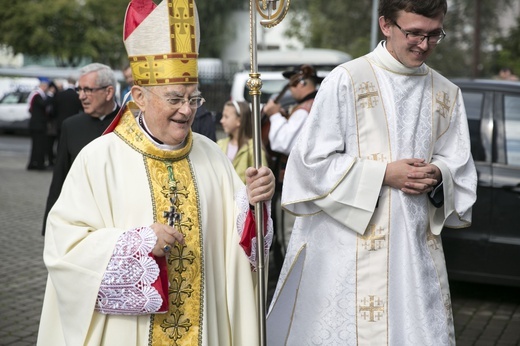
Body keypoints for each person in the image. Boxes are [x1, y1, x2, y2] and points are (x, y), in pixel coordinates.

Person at [37, 1, 275, 345]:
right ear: (139, 96)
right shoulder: (99, 159)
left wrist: (254, 204)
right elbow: (64, 249)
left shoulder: (212, 156)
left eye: (193, 100)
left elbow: (240, 252)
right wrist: (138, 244)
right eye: (175, 98)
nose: (186, 111)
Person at [267, 1, 477, 345]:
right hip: (345, 249)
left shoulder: (446, 93)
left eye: (434, 34)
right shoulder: (346, 80)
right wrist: (383, 174)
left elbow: (459, 164)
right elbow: (310, 164)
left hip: (412, 248)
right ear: (385, 25)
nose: (423, 45)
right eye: (413, 33)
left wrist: (439, 173)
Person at [41, 63, 120, 235]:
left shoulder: (129, 123)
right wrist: (50, 226)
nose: (81, 96)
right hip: (83, 220)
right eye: (79, 90)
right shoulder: (71, 126)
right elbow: (60, 177)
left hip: (119, 220)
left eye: (88, 90)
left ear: (108, 92)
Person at [262, 64, 322, 252]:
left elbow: (283, 143)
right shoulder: (315, 105)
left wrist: (274, 116)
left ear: (302, 82)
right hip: (308, 179)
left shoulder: (305, 109)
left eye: (293, 84)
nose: (291, 88)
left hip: (298, 181)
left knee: (290, 236)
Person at [218, 100, 268, 183]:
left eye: (226, 117)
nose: (221, 121)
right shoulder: (220, 144)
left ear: (239, 120)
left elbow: (262, 178)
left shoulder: (254, 147)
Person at [27, 77, 51, 170]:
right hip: (38, 125)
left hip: (36, 124)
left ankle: (33, 164)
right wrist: (50, 95)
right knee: (39, 146)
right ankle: (38, 164)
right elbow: (43, 104)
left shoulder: (35, 94)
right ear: (43, 86)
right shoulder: (37, 95)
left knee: (36, 145)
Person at [51, 76, 83, 143]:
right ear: (75, 83)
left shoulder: (59, 94)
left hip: (60, 123)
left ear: (67, 82)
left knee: (60, 143)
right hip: (74, 123)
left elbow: (54, 109)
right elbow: (82, 109)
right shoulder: (77, 96)